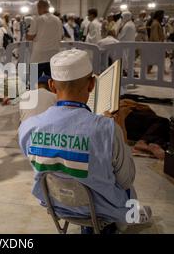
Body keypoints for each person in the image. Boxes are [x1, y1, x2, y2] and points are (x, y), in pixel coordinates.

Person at [19, 49, 151, 231]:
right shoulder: (108, 129)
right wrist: (121, 132)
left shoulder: (28, 127)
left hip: (55, 202)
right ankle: (131, 216)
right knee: (127, 189)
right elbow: (126, 180)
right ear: (91, 85)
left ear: (51, 85)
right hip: (101, 208)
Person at [26, 0, 63, 78]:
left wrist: (27, 34)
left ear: (39, 7)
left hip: (39, 55)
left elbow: (30, 37)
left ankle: (34, 90)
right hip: (53, 54)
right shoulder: (57, 20)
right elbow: (61, 36)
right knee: (51, 82)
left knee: (34, 81)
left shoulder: (37, 19)